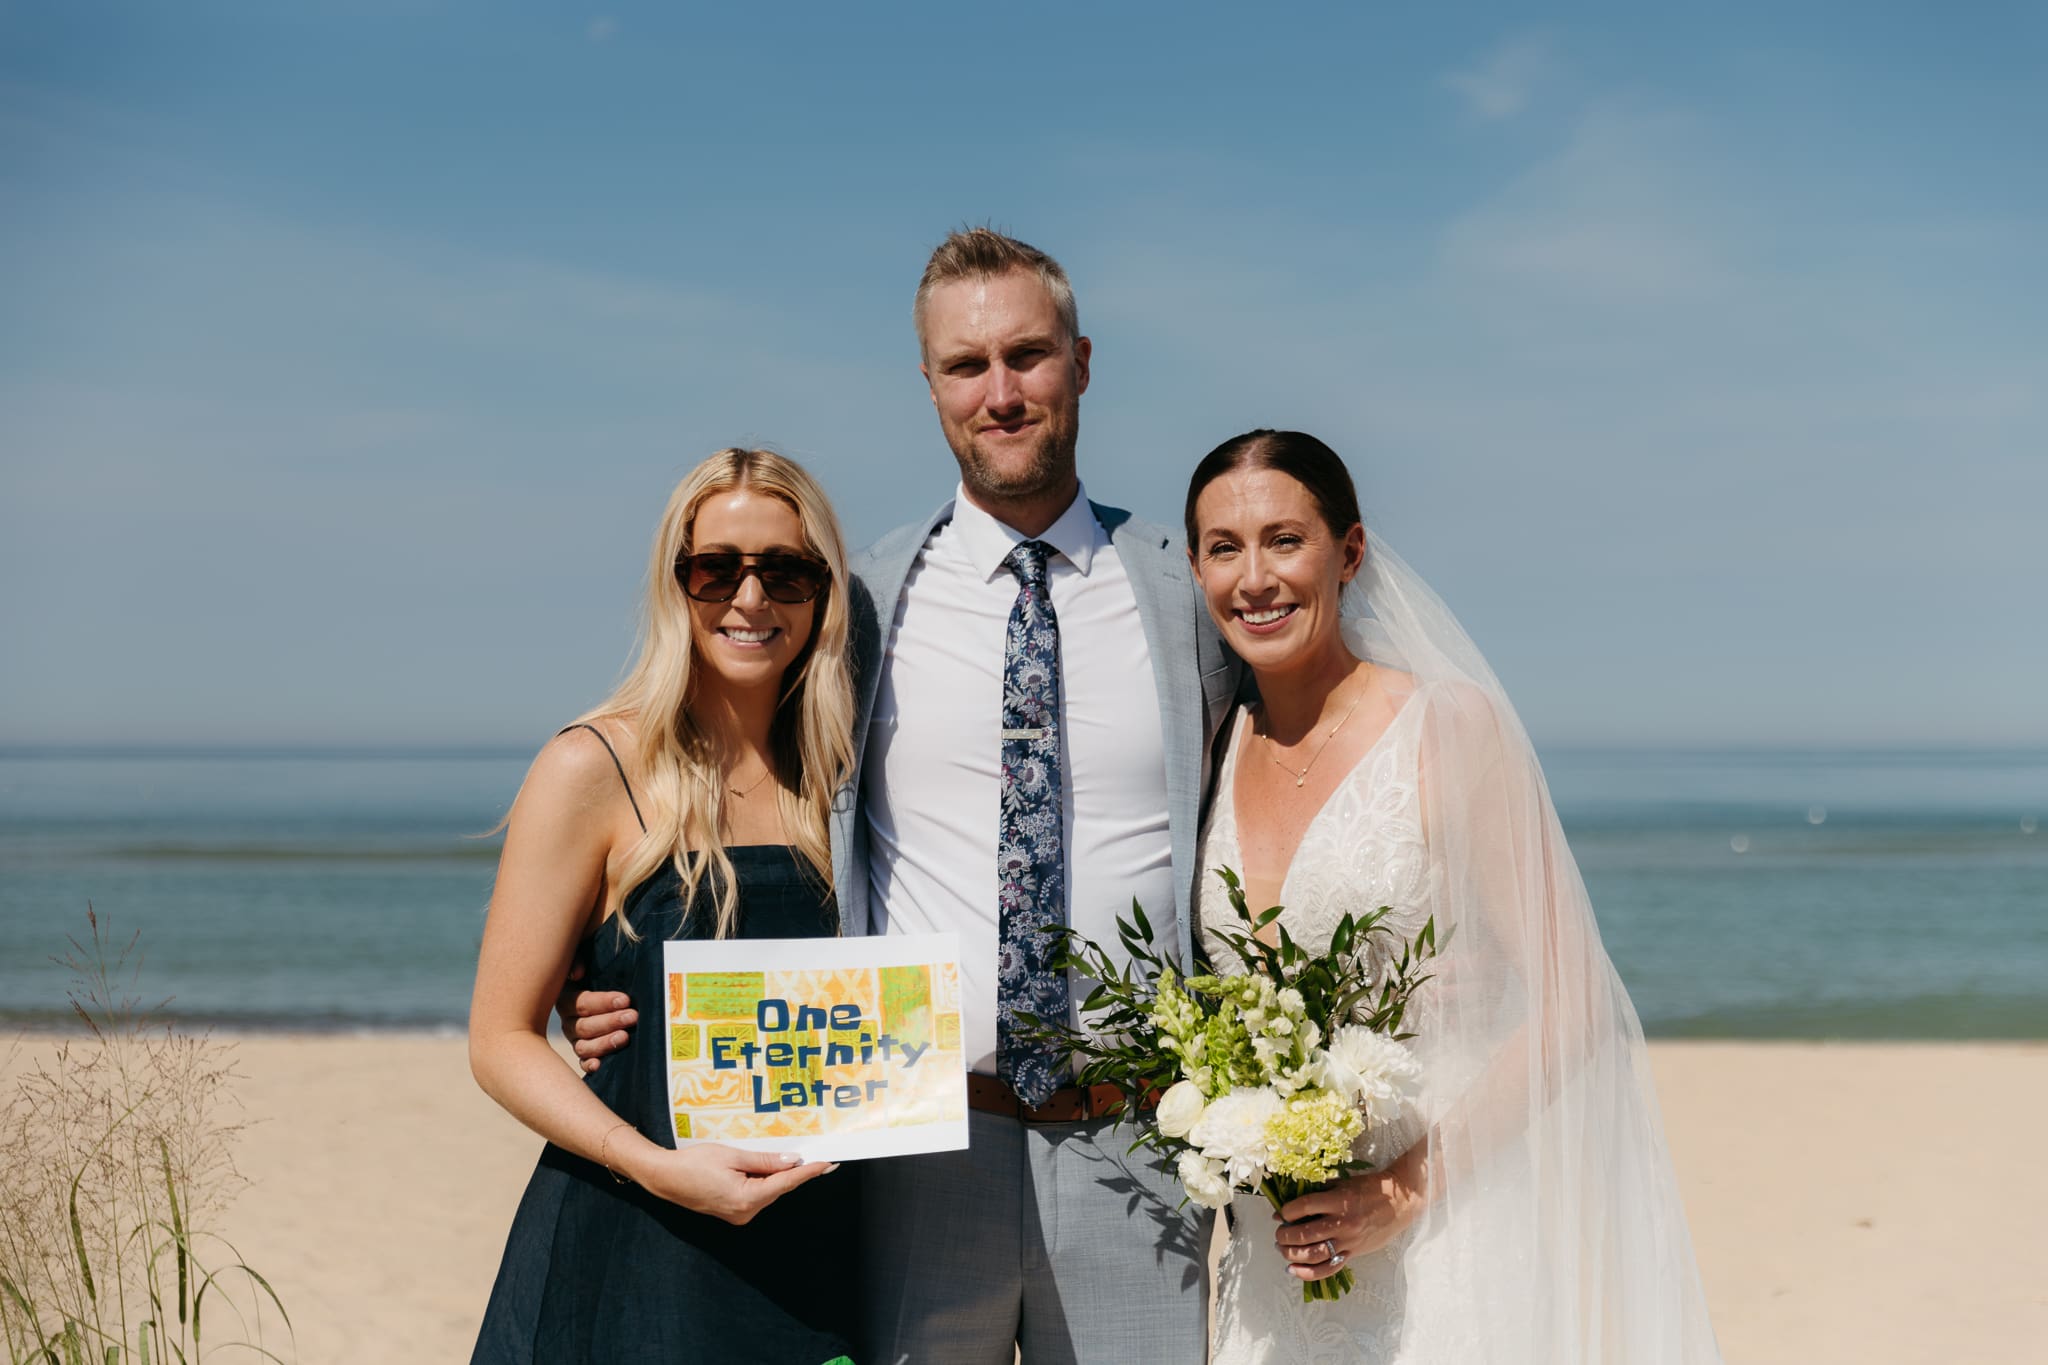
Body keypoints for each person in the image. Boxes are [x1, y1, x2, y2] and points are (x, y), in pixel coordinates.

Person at [568, 229, 1239, 1363]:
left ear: (1080, 362)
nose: (1000, 392)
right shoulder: (857, 600)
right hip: (921, 1144)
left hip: (1140, 1146)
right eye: (965, 365)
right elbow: (720, 778)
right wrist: (605, 980)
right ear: (927, 384)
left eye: (1025, 356)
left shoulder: (1188, 592)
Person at [1185, 429, 1722, 1362]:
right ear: (1196, 570)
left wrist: (1397, 1193)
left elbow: (1573, 997)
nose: (1255, 578)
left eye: (1285, 539)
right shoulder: (1208, 751)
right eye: (1224, 548)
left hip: (1444, 1234)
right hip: (1278, 1260)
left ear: (1348, 552)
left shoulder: (1445, 727)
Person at [469, 448, 863, 1365]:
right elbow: (499, 1039)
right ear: (675, 583)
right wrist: (659, 1168)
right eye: (716, 567)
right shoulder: (592, 767)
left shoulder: (851, 775)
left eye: (787, 571)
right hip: (641, 1243)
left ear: (824, 591)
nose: (751, 598)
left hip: (823, 1250)